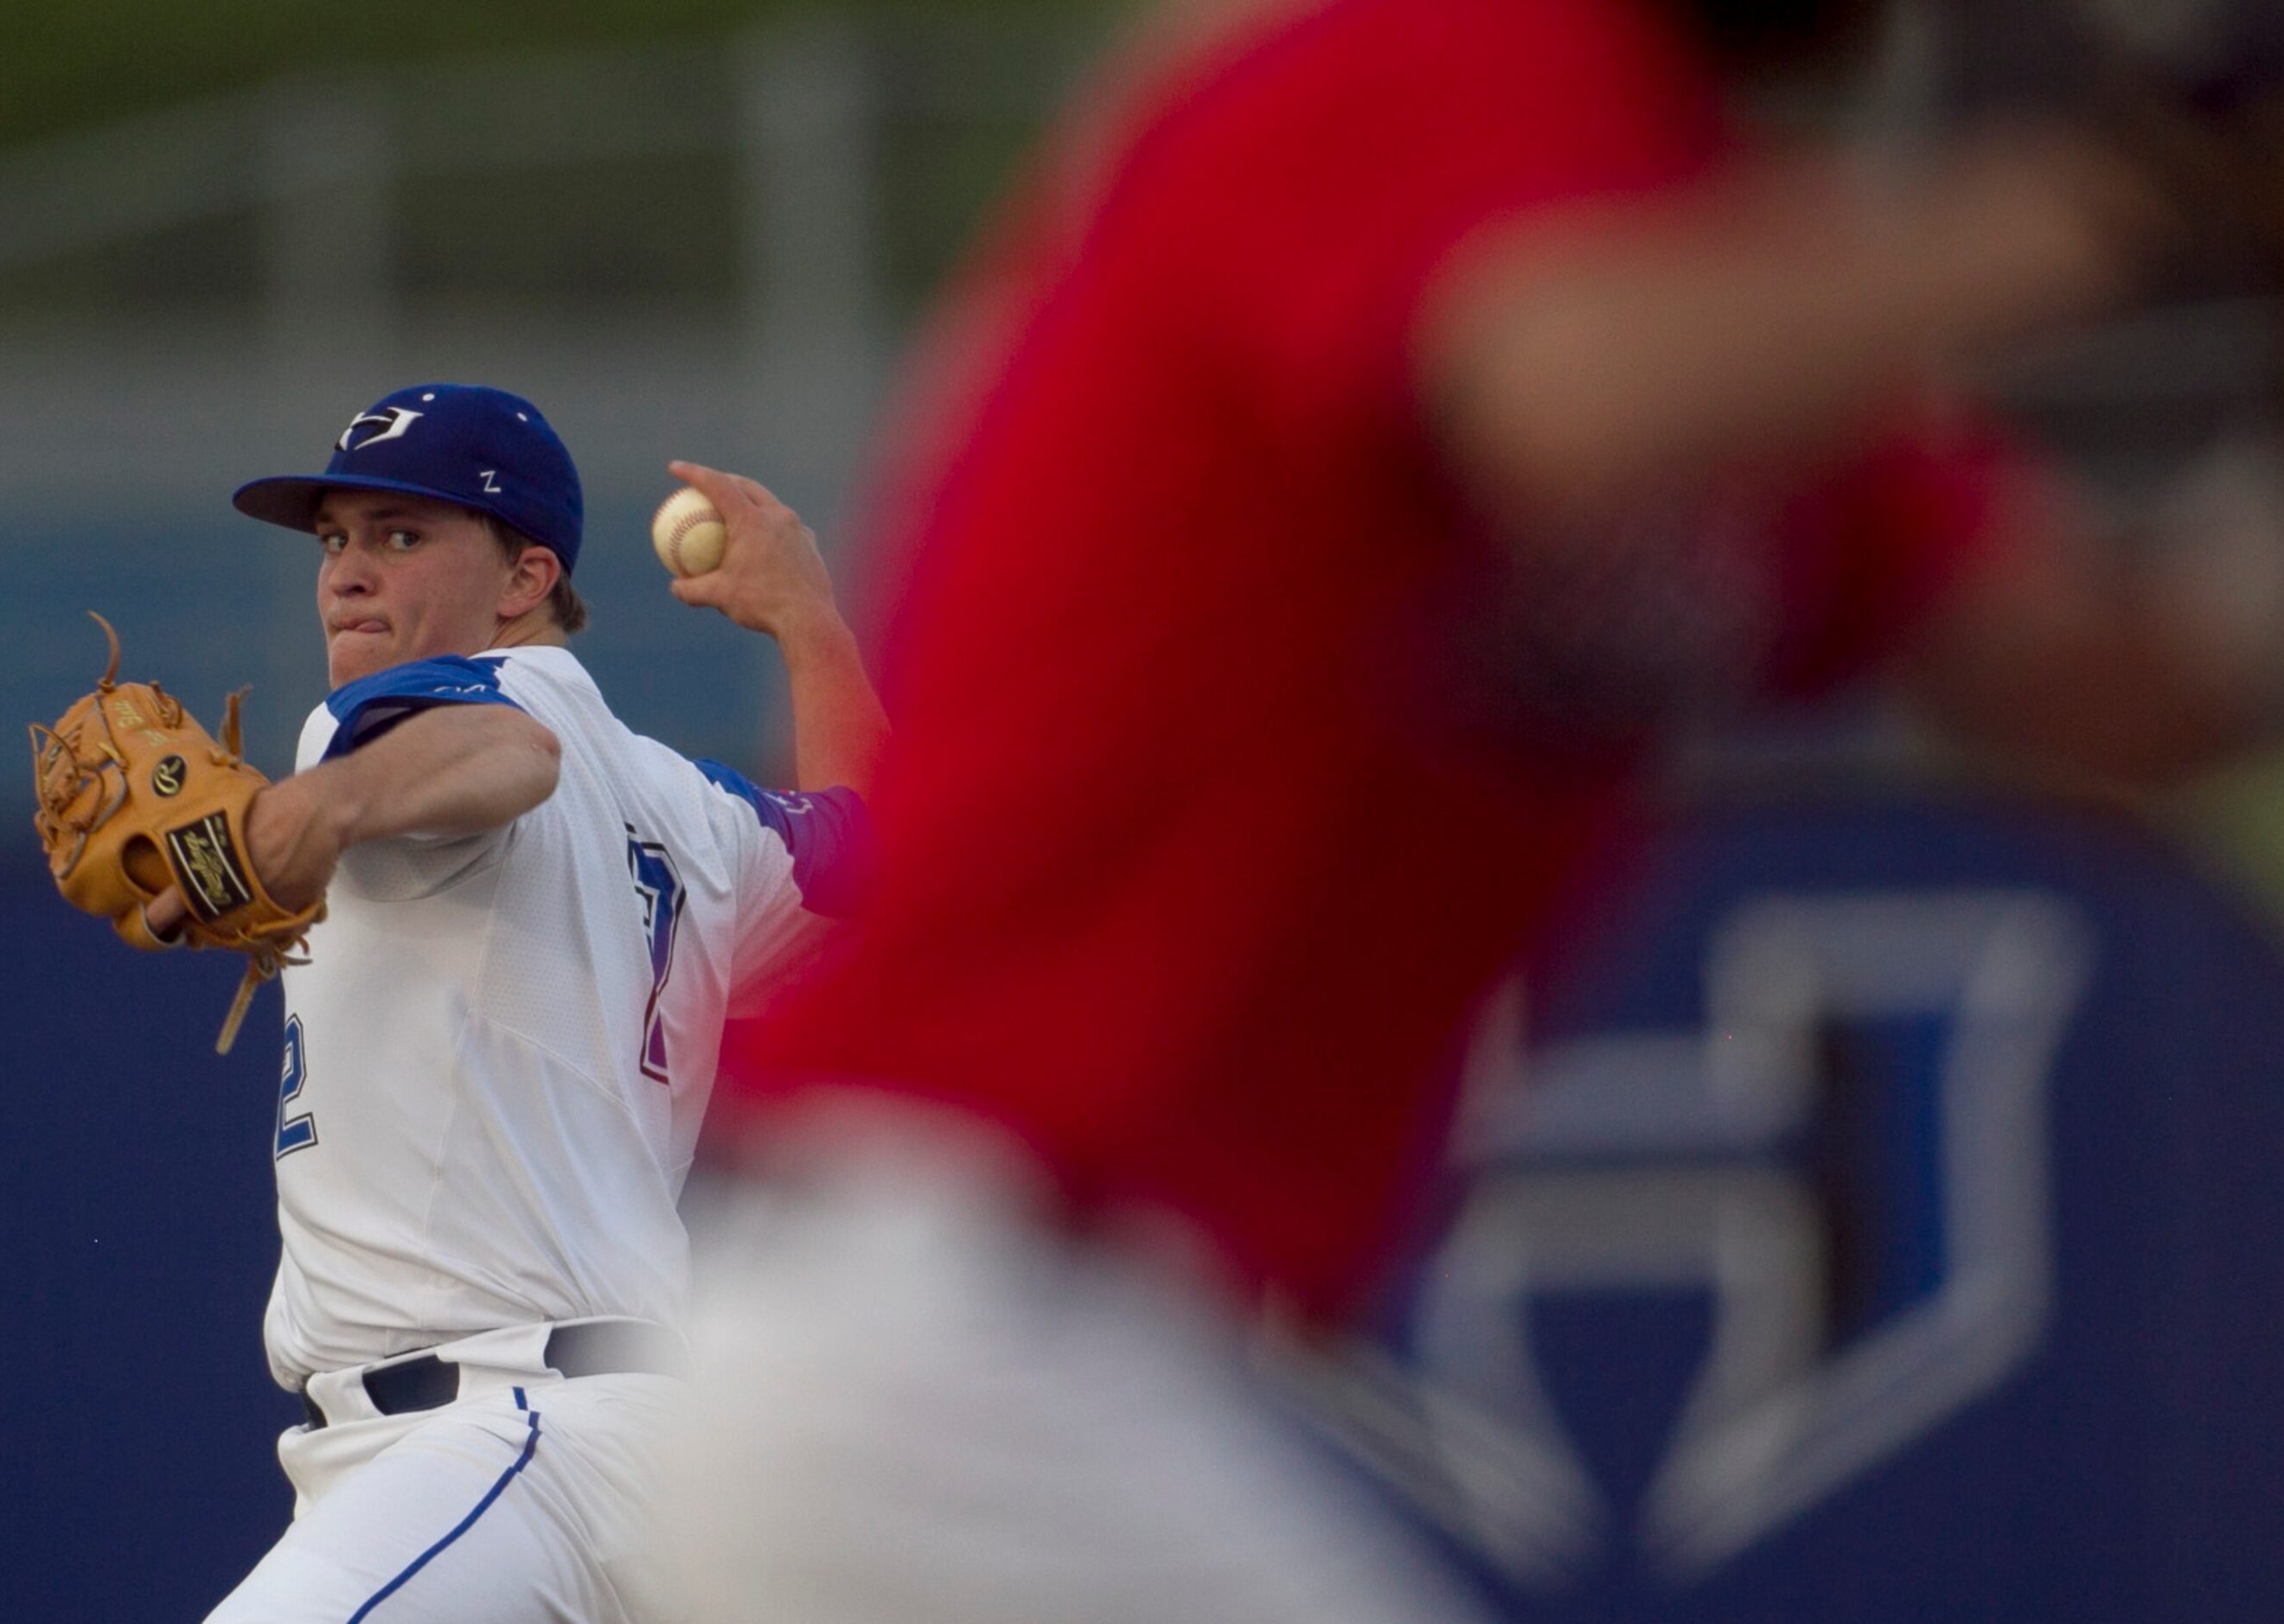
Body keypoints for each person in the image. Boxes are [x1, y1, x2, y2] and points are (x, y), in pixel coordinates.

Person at [668, 1, 2281, 1621]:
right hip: (912, 1314)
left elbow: (2102, 689)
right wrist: (2126, 194)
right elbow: (1565, 388)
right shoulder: (1445, 53)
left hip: (1070, 1364)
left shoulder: (1739, 268)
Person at [175, 381, 883, 1623]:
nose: (346, 572)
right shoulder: (691, 811)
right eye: (335, 537)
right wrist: (809, 623)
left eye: (403, 535)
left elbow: (512, 755)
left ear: (524, 577)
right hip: (594, 1451)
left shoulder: (395, 722)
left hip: (500, 1439)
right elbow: (880, 863)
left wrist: (316, 805)